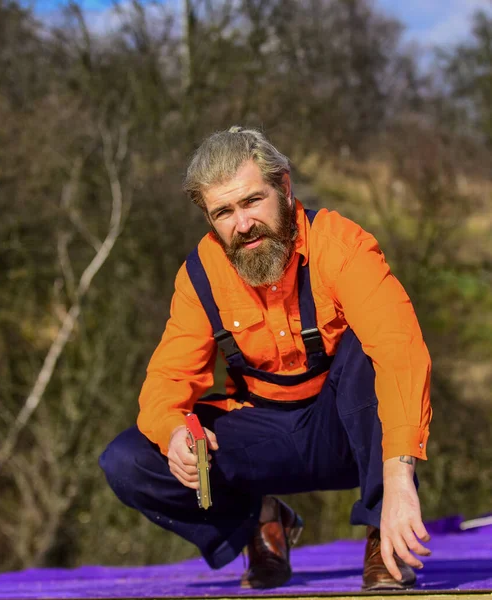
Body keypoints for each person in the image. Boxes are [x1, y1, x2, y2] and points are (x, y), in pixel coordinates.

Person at [99, 126, 433, 591]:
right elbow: (167, 381)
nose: (242, 224)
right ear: (209, 218)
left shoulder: (342, 246)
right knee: (128, 460)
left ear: (284, 187)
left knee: (368, 348)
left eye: (252, 201)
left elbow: (402, 353)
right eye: (224, 212)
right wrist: (174, 431)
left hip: (346, 429)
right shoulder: (199, 275)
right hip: (260, 434)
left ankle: (385, 535)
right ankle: (261, 519)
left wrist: (400, 480)